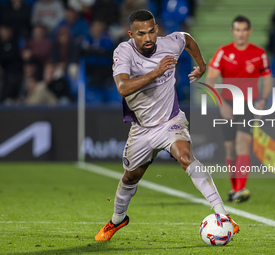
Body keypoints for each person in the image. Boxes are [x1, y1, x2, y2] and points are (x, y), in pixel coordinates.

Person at [95, 9, 239, 241]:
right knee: (131, 177)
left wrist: (201, 65)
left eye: (152, 31)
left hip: (171, 121)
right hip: (142, 128)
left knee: (185, 157)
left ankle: (223, 214)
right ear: (131, 34)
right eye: (141, 34)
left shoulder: (169, 43)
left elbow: (187, 38)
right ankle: (117, 220)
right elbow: (122, 88)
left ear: (157, 29)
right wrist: (156, 72)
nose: (148, 38)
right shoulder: (124, 52)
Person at [206, 15, 274, 203]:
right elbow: (210, 80)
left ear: (249, 31)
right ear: (233, 31)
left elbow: (268, 79)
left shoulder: (259, 53)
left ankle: (240, 189)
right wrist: (221, 104)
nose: (241, 33)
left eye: (244, 30)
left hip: (247, 104)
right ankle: (234, 188)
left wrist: (263, 101)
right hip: (227, 103)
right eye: (238, 29)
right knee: (230, 150)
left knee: (242, 144)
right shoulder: (223, 52)